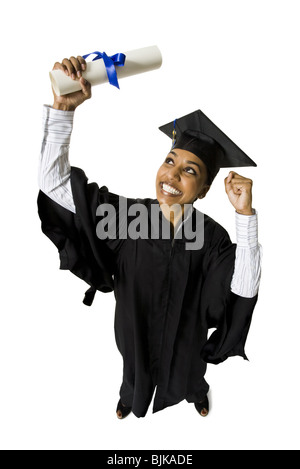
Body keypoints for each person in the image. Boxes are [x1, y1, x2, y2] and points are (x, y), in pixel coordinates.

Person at [37, 55, 262, 419]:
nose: (172, 175)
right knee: (133, 370)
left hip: (186, 344)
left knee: (191, 375)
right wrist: (63, 109)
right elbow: (56, 186)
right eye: (170, 161)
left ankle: (197, 393)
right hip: (134, 333)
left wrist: (245, 218)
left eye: (190, 170)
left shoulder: (212, 238)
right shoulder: (130, 218)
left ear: (203, 190)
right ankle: (130, 396)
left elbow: (242, 290)